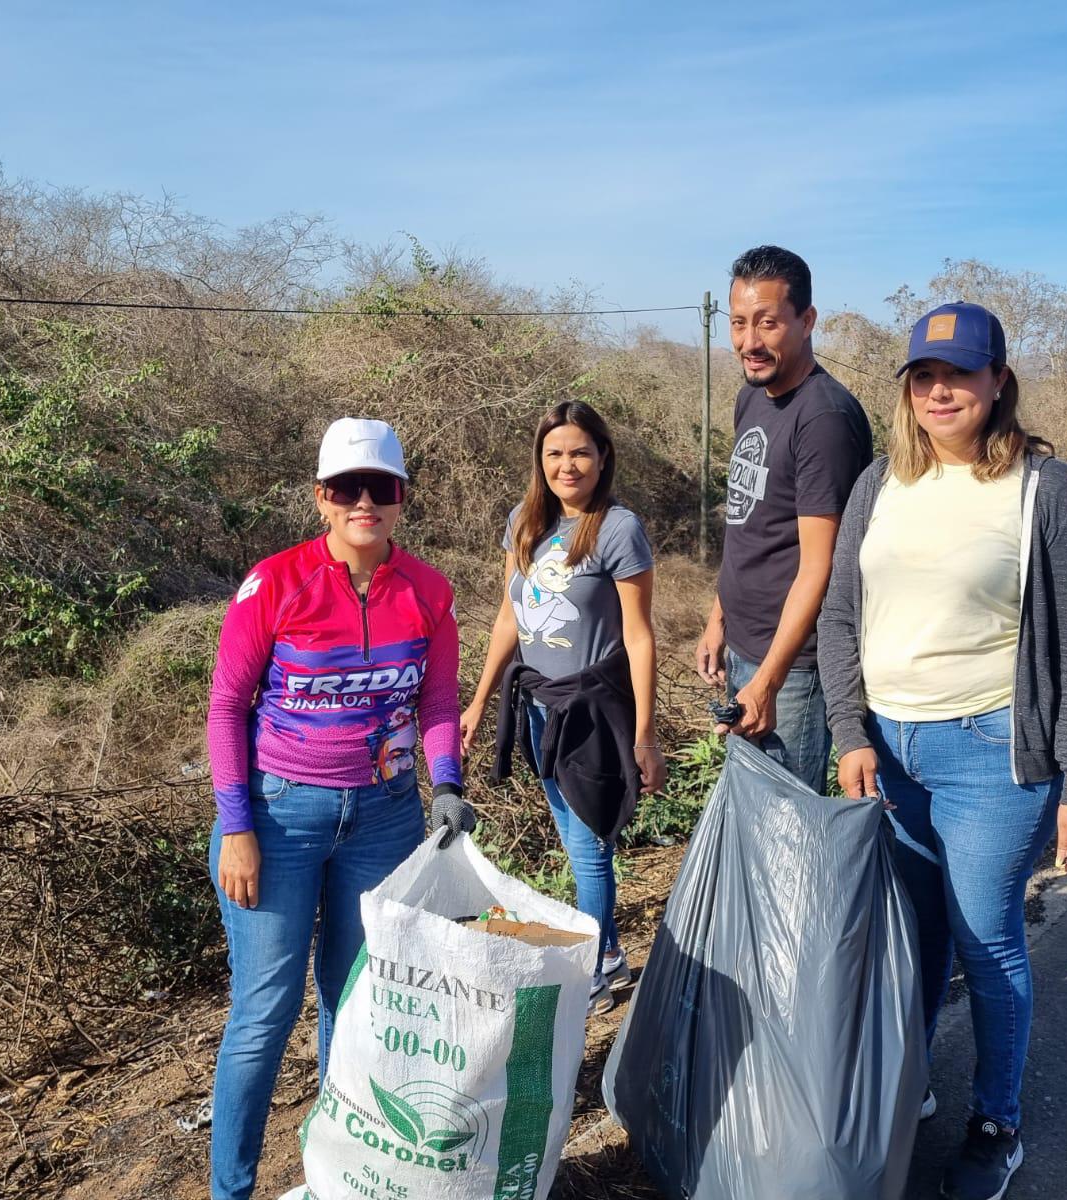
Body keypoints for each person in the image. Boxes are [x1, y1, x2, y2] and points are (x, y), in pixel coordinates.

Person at [817, 302, 1067, 1200]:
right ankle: (915, 1088)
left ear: (999, 383)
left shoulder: (1044, 491)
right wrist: (851, 731)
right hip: (890, 753)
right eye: (924, 376)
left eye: (961, 374)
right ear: (907, 387)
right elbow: (837, 617)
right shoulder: (878, 483)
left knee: (986, 943)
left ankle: (997, 1120)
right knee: (917, 941)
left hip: (991, 754)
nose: (941, 390)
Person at [204, 417, 475, 1200]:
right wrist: (237, 827)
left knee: (355, 1002)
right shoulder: (275, 582)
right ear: (322, 498)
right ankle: (233, 1191)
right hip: (279, 816)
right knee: (263, 1014)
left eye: (381, 489)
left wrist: (447, 782)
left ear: (401, 500)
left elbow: (436, 699)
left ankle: (339, 1177)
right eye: (347, 488)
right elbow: (227, 706)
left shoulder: (429, 591)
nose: (365, 503)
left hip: (385, 817)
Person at [462, 400, 665, 1013]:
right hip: (537, 706)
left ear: (603, 458)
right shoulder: (524, 521)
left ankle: (595, 967)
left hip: (592, 711)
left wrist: (646, 733)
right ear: (540, 460)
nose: (567, 465)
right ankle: (607, 953)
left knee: (587, 847)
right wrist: (479, 700)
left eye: (580, 451)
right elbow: (508, 618)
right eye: (554, 453)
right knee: (572, 837)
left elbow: (639, 634)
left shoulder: (617, 529)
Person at [696, 244, 873, 792]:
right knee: (758, 816)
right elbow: (751, 523)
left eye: (769, 323)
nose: (750, 342)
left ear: (807, 321)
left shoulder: (822, 418)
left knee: (787, 830)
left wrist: (769, 681)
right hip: (748, 649)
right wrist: (718, 618)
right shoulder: (753, 398)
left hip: (794, 667)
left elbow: (820, 567)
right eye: (740, 323)